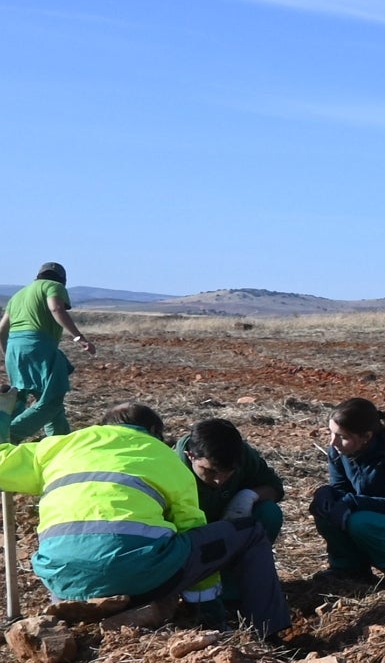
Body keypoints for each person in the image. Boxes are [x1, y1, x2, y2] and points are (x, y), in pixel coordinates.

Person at [1, 404, 287, 638]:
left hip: (62, 580)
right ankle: (270, 630)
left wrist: (4, 412)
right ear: (153, 432)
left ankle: (80, 608)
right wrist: (209, 612)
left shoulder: (59, 447)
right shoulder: (165, 457)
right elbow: (195, 534)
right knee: (250, 531)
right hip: (142, 576)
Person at [311, 398, 385, 587]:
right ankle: (348, 569)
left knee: (361, 521)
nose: (333, 442)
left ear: (366, 436)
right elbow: (340, 489)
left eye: (342, 436)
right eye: (331, 433)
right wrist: (326, 492)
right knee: (325, 511)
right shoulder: (338, 451)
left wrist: (351, 502)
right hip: (369, 526)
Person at [6, 264, 94, 444]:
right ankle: (9, 435)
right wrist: (79, 338)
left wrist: (9, 354)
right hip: (39, 347)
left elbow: (2, 329)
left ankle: (60, 443)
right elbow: (56, 309)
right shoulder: (54, 286)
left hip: (14, 349)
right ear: (63, 279)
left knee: (21, 399)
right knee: (52, 400)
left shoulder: (18, 295)